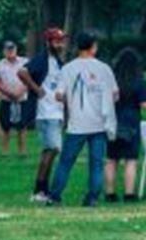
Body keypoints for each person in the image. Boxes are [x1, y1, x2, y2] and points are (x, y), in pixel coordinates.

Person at [46, 31, 118, 207]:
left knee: (65, 162)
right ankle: (92, 198)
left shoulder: (68, 68)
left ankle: (55, 196)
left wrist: (73, 98)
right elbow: (115, 95)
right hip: (99, 124)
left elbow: (58, 96)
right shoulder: (104, 68)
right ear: (93, 46)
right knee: (96, 163)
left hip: (76, 125)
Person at [24, 27, 68, 202]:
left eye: (61, 41)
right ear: (48, 42)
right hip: (45, 111)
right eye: (57, 41)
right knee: (54, 148)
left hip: (55, 112)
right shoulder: (42, 60)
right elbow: (22, 72)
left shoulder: (58, 62)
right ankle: (40, 188)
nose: (60, 44)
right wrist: (36, 89)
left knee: (49, 151)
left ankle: (41, 188)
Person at [104, 47, 146, 202]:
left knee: (112, 158)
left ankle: (110, 193)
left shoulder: (112, 79)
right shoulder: (139, 81)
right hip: (131, 121)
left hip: (113, 120)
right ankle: (129, 193)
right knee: (130, 159)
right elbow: (145, 104)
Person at [0, 40, 30, 156]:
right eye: (8, 49)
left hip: (22, 98)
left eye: (12, 49)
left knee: (22, 127)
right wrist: (9, 93)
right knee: (5, 127)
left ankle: (22, 151)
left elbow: (30, 79)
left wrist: (19, 92)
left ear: (16, 49)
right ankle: (5, 151)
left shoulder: (25, 62)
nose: (10, 52)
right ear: (4, 51)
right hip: (6, 99)